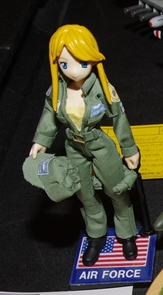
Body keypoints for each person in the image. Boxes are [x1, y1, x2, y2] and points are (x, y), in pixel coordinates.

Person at [30, 25, 140, 266]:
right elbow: (49, 117)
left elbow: (119, 118)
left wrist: (129, 149)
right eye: (64, 63)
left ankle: (127, 234)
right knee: (84, 194)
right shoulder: (56, 91)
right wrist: (41, 141)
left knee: (117, 190)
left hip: (99, 144)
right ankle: (96, 236)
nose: (73, 70)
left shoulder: (102, 88)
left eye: (82, 62)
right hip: (73, 146)